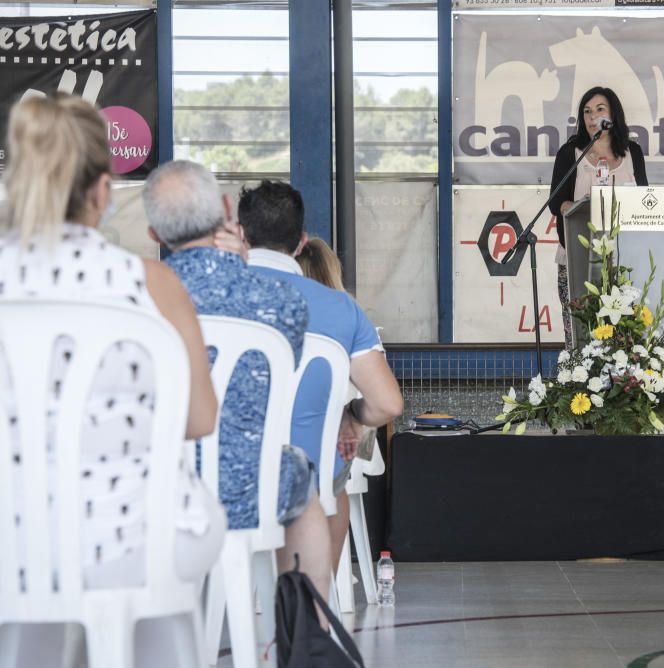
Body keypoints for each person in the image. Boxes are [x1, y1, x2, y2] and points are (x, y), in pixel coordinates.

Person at [0, 94, 225, 665]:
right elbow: (200, 420)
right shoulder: (150, 283)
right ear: (103, 191)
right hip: (134, 545)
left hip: (13, 545)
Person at [142, 161, 334, 608]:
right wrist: (240, 270)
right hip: (252, 492)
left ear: (154, 234)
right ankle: (309, 636)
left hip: (158, 493)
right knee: (302, 475)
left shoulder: (140, 296)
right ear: (228, 211)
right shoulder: (281, 301)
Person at [238, 180, 403, 579]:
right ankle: (317, 593)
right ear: (301, 242)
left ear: (242, 236)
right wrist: (350, 415)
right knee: (333, 479)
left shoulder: (208, 299)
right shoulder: (339, 308)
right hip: (307, 485)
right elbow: (388, 405)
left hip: (225, 483)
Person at [548, 86, 648, 345]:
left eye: (599, 110)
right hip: (578, 256)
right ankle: (578, 381)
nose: (592, 117)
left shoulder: (632, 152)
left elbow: (645, 200)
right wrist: (573, 208)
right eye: (587, 112)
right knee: (581, 333)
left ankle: (626, 383)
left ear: (613, 114)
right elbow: (556, 202)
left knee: (625, 334)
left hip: (626, 257)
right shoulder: (570, 153)